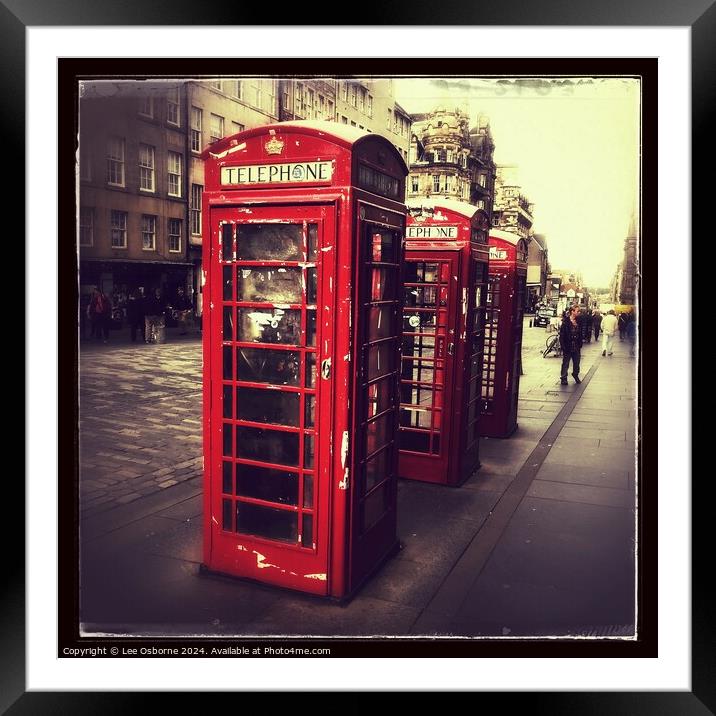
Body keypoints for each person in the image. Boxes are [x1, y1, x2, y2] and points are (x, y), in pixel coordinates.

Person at [559, 304, 583, 385]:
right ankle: (563, 378)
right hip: (568, 345)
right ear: (572, 311)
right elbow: (562, 335)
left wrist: (580, 343)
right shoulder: (565, 322)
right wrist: (563, 346)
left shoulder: (579, 320)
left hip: (576, 345)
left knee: (577, 363)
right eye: (577, 311)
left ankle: (575, 375)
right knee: (565, 363)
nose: (579, 312)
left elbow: (581, 332)